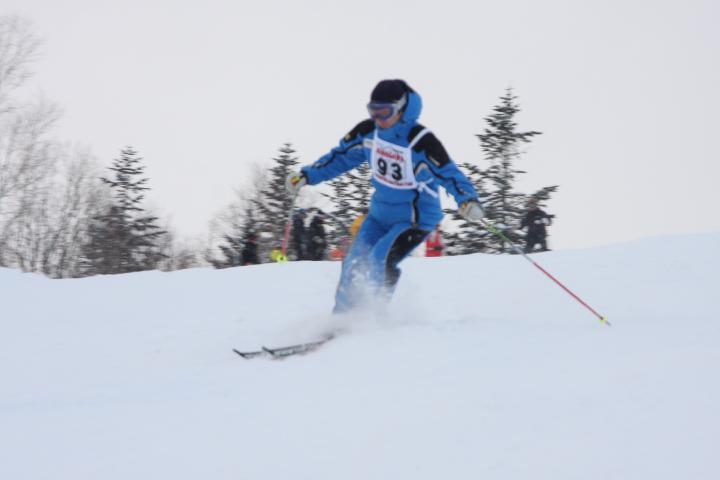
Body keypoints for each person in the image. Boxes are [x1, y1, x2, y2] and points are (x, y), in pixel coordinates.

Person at [286, 79, 484, 314]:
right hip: (379, 216)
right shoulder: (368, 132)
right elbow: (340, 158)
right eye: (373, 111)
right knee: (353, 263)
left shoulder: (420, 141)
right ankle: (343, 319)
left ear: (401, 109)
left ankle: (374, 317)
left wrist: (467, 200)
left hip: (414, 220)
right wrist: (307, 175)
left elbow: (449, 174)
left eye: (385, 112)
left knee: (380, 259)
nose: (378, 118)